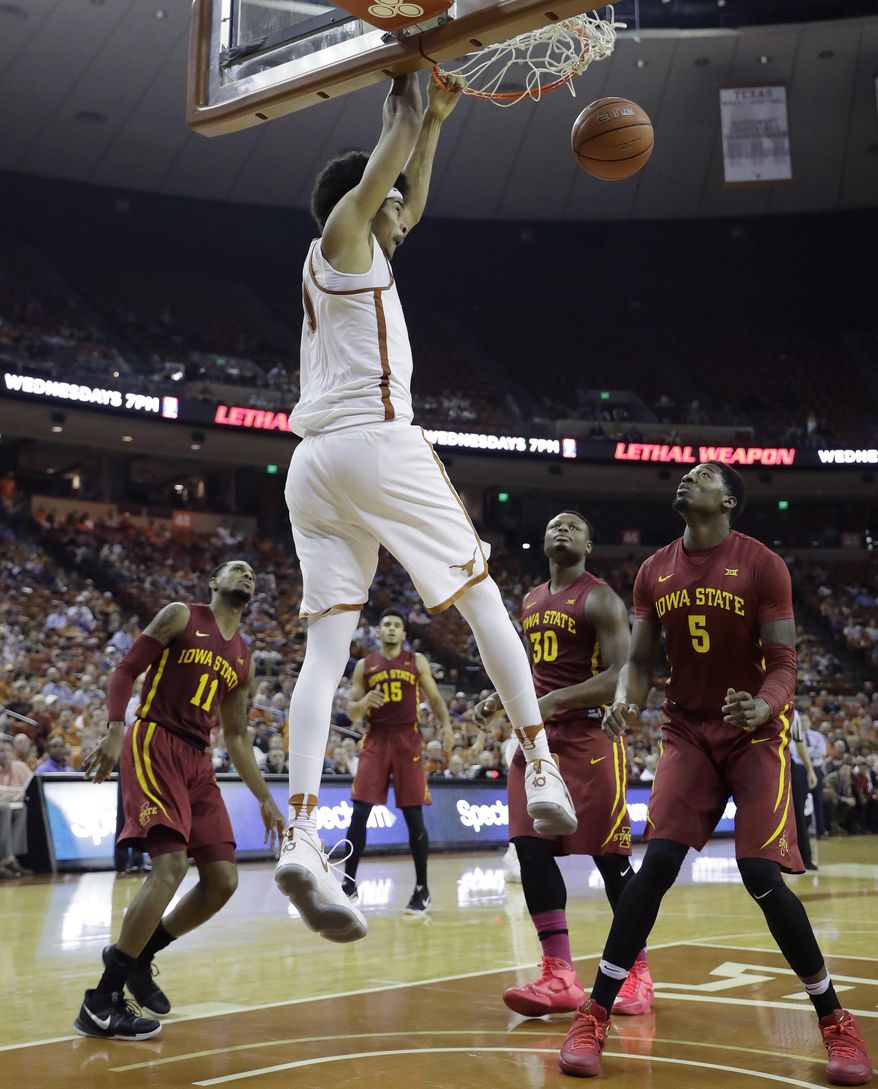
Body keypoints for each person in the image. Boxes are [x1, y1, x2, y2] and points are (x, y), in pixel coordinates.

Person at [274, 72, 576, 943]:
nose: (406, 218)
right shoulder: (340, 233)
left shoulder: (354, 260)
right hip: (375, 442)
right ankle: (540, 761)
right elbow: (387, 172)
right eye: (392, 205)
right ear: (363, 199)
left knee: (327, 648)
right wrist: (404, 95)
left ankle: (300, 829)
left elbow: (412, 191)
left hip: (313, 471)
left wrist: (436, 123)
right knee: (484, 597)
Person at [557, 463, 873, 1086]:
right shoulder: (654, 570)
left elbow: (784, 663)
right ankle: (594, 1014)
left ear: (727, 500)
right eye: (684, 474)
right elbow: (642, 663)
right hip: (688, 733)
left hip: (754, 733)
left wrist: (764, 704)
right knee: (656, 867)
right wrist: (627, 700)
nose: (685, 478)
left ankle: (836, 1019)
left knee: (759, 872)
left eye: (701, 475)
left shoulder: (762, 564)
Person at [73, 561, 285, 1042]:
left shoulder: (244, 657)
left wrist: (265, 797)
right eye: (236, 568)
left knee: (222, 880)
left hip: (199, 761)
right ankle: (100, 1003)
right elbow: (125, 670)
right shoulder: (181, 616)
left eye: (253, 572)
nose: (247, 574)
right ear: (212, 582)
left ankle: (138, 957)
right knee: (169, 869)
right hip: (156, 740)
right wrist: (113, 730)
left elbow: (235, 734)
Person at [475, 511, 653, 1020]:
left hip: (592, 738)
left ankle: (636, 972)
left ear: (590, 545)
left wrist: (551, 701)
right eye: (554, 524)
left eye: (575, 526)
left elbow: (623, 673)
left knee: (610, 860)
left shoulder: (601, 598)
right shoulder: (530, 599)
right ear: (542, 539)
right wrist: (498, 697)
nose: (562, 529)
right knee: (530, 849)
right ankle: (560, 975)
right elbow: (532, 672)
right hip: (539, 740)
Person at [342, 609, 451, 913]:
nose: (390, 628)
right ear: (378, 632)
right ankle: (348, 884)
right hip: (376, 739)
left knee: (413, 815)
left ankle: (422, 888)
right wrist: (364, 703)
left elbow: (436, 699)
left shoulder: (416, 661)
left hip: (407, 740)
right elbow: (352, 710)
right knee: (359, 811)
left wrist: (448, 728)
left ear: (403, 633)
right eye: (386, 624)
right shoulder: (365, 665)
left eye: (396, 625)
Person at [789, 708, 819, 870]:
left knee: (798, 812)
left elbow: (799, 743)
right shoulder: (760, 705)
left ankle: (805, 858)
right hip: (764, 764)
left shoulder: (794, 714)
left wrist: (810, 769)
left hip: (788, 763)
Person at [0, 733, 32, 878]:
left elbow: (32, 786)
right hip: (5, 808)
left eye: (8, 750)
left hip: (17, 807)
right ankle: (7, 859)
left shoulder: (20, 766)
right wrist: (15, 793)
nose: (5, 754)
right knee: (5, 808)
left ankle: (12, 855)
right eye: (1, 751)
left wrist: (14, 793)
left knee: (22, 810)